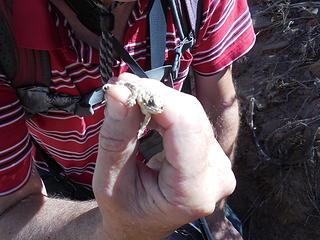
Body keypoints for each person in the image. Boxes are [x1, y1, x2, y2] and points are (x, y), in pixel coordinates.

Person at [0, 0, 255, 239]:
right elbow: (8, 212)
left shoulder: (194, 6)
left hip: (161, 168)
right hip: (50, 182)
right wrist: (115, 228)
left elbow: (219, 101)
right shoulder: (6, 29)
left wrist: (214, 209)